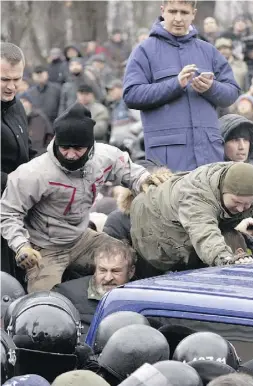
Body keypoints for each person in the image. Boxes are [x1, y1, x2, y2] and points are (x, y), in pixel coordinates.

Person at [1, 103, 151, 292]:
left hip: (83, 239)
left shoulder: (105, 156)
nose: (71, 155)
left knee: (125, 259)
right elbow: (8, 211)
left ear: (90, 146)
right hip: (45, 248)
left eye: (78, 148)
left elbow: (131, 172)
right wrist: (21, 246)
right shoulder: (33, 173)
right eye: (65, 148)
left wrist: (146, 180)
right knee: (42, 301)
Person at [123, 0, 240, 171]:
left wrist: (211, 88)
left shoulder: (209, 51)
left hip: (209, 155)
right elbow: (131, 95)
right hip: (167, 160)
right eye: (173, 11)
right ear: (163, 11)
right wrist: (175, 84)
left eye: (184, 13)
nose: (178, 18)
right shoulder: (144, 51)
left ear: (194, 14)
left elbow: (232, 92)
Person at [130, 162, 253, 272]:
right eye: (236, 202)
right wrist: (224, 258)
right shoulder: (197, 193)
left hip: (193, 229)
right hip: (153, 228)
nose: (241, 209)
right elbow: (204, 231)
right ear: (223, 190)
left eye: (248, 204)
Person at [1, 42, 37, 279]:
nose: (12, 86)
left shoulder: (17, 108)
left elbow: (28, 152)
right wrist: (20, 184)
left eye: (17, 79)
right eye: (4, 79)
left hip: (17, 208)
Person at [52, 240, 136, 334]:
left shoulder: (142, 298)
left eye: (115, 271)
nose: (108, 278)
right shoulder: (65, 295)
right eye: (103, 270)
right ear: (95, 270)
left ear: (131, 272)